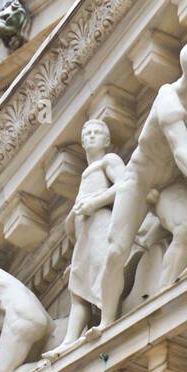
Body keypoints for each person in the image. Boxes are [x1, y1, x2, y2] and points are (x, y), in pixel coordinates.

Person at [94, 40, 187, 332]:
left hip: (170, 183)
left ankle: (165, 294)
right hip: (140, 181)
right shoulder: (169, 101)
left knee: (184, 228)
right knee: (117, 250)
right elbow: (181, 151)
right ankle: (106, 322)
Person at [53, 118, 125, 353]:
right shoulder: (87, 173)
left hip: (101, 225)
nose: (92, 136)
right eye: (87, 133)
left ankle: (108, 319)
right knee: (78, 288)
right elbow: (72, 224)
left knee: (104, 268)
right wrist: (72, 218)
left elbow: (126, 184)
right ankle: (69, 340)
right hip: (84, 235)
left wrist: (94, 203)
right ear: (83, 142)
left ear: (107, 140)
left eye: (97, 132)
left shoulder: (108, 161)